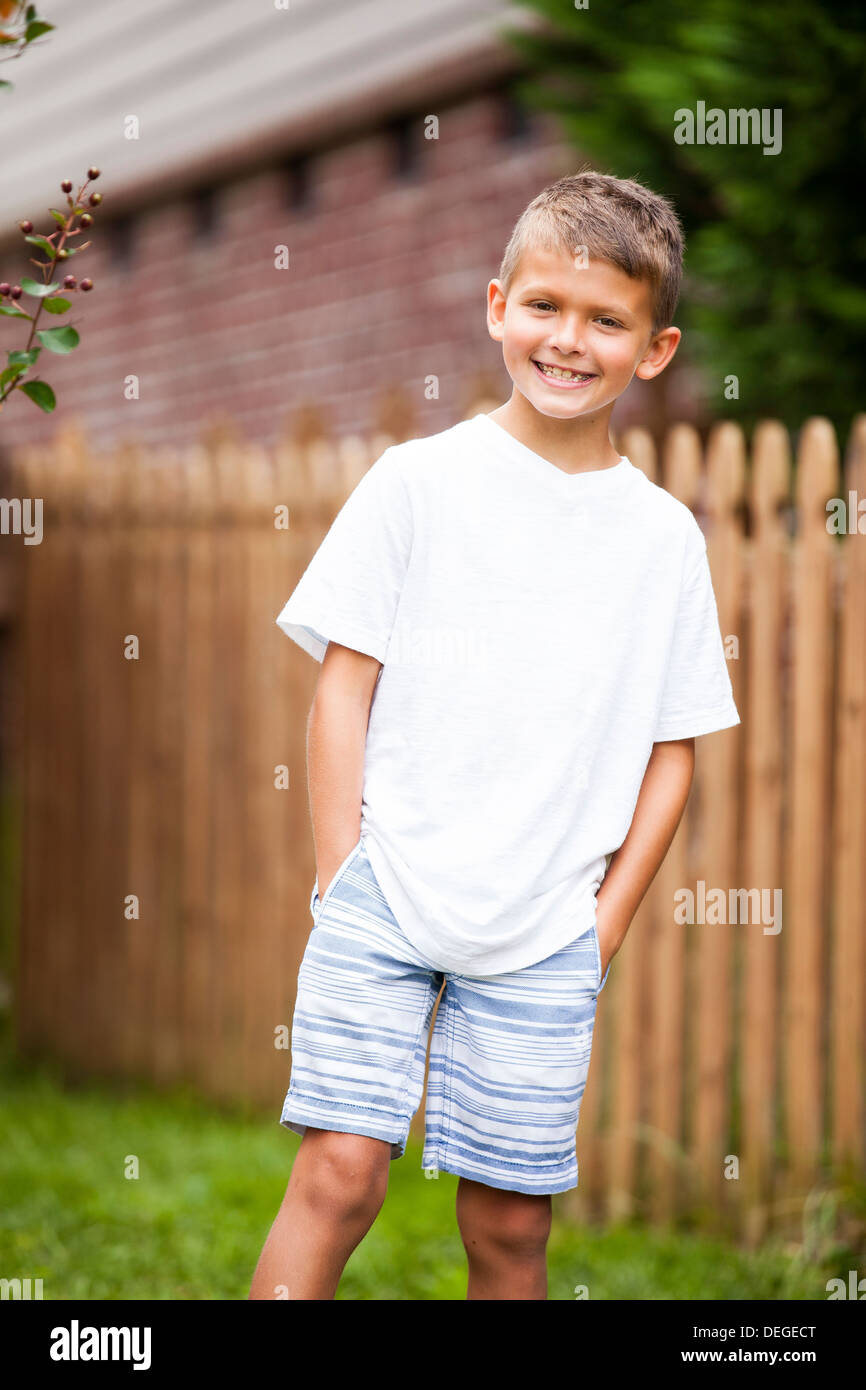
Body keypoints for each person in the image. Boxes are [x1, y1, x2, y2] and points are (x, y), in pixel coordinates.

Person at [248, 170, 740, 1301]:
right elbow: (342, 687)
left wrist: (598, 928)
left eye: (605, 320)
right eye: (544, 308)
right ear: (494, 307)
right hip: (384, 893)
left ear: (652, 351)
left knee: (512, 1227)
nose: (567, 341)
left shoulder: (660, 541)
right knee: (338, 1174)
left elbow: (674, 751)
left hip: (544, 929)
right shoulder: (416, 483)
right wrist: (341, 871)